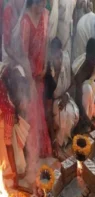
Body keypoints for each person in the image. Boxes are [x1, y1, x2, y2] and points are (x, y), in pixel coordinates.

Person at [20, 0, 52, 170]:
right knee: (32, 113)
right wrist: (31, 82)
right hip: (28, 75)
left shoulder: (46, 15)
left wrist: (45, 63)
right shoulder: (25, 21)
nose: (42, 9)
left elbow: (46, 41)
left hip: (40, 70)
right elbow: (24, 54)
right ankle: (31, 157)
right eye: (39, 5)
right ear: (33, 3)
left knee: (40, 109)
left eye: (44, 4)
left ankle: (40, 149)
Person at [45, 38, 79, 159]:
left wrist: (66, 96)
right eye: (55, 56)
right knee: (64, 114)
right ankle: (59, 144)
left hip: (66, 97)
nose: (58, 59)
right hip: (54, 103)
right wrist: (53, 140)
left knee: (72, 114)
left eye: (59, 55)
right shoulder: (48, 72)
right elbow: (48, 108)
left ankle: (65, 141)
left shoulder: (66, 58)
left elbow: (73, 82)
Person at [0, 63, 30, 187]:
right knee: (7, 143)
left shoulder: (14, 72)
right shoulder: (8, 108)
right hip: (5, 114)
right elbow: (9, 146)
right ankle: (12, 172)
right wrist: (15, 176)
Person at [73, 38, 95, 134]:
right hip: (77, 97)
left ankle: (88, 119)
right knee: (87, 89)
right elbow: (77, 99)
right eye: (90, 57)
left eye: (94, 57)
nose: (92, 61)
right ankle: (84, 123)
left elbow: (94, 79)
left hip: (88, 89)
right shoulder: (81, 70)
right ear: (86, 54)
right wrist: (87, 120)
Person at [2, 0, 26, 64]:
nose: (22, 2)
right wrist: (19, 61)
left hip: (21, 54)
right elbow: (6, 46)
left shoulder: (26, 8)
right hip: (8, 56)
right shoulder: (8, 10)